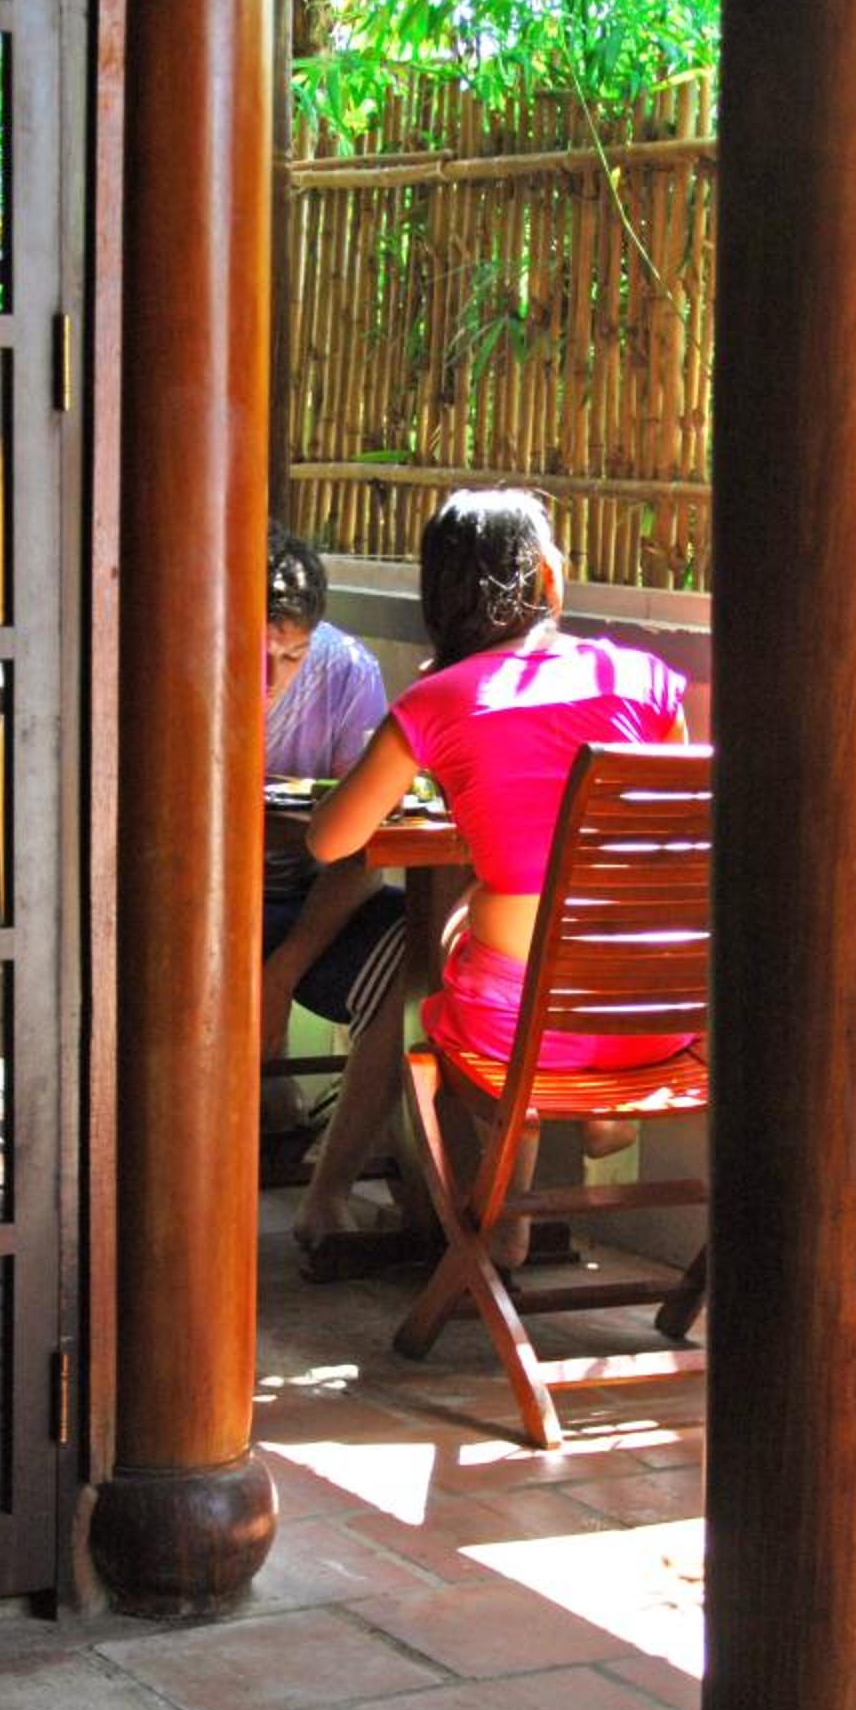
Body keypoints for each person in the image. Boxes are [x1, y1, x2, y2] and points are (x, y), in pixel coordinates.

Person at [306, 490, 694, 1265]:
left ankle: (500, 1209)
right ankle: (600, 1122)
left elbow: (329, 840)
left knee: (453, 956)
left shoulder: (438, 702)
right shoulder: (646, 681)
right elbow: (669, 834)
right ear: (550, 576)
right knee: (521, 932)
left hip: (520, 1036)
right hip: (656, 1018)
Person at [257, 525, 414, 1270]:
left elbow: (362, 852)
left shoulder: (347, 672)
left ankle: (334, 1186)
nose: (271, 677)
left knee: (416, 950)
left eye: (290, 657)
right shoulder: (181, 656)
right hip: (202, 900)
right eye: (254, 653)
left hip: (312, 896)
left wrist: (281, 974)